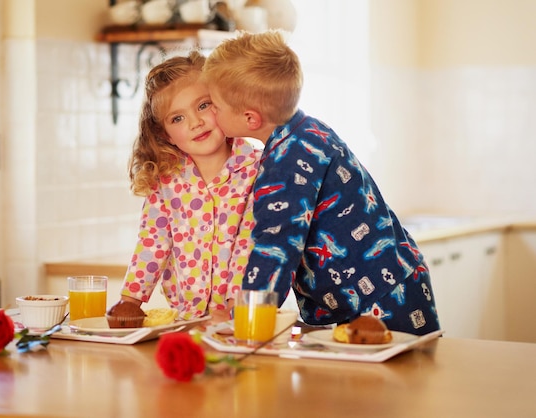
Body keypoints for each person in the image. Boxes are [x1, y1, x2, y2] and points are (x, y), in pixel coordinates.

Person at [201, 30, 440, 336]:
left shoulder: (285, 163)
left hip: (379, 298)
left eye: (215, 106)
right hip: (392, 281)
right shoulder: (309, 130)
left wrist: (245, 320)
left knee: (402, 379)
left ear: (250, 119)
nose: (212, 114)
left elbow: (276, 244)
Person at [118, 51, 262, 323]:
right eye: (177, 118)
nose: (195, 122)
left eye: (203, 105)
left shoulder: (257, 170)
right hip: (186, 320)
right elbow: (152, 242)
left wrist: (235, 306)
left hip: (243, 316)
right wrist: (129, 302)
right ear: (165, 135)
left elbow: (250, 243)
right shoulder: (165, 181)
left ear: (222, 101)